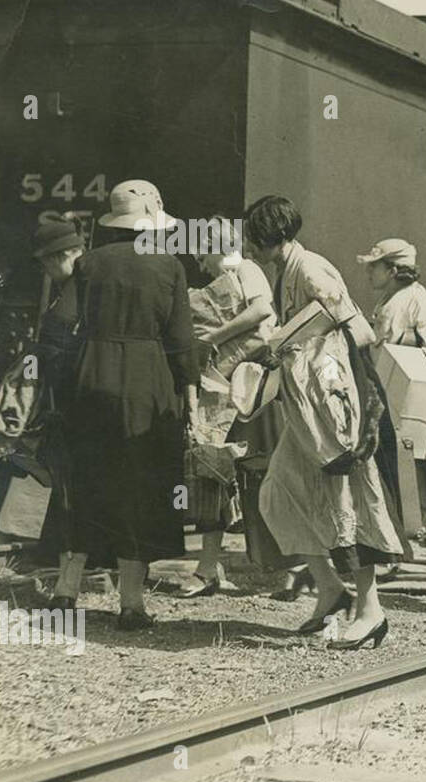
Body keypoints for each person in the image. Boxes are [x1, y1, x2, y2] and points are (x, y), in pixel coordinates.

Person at [243, 195, 404, 649]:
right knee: (278, 491)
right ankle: (331, 589)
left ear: (270, 238)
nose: (250, 248)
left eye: (253, 238)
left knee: (346, 505)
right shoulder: (287, 269)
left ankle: (370, 610)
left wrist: (289, 344)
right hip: (307, 412)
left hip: (336, 410)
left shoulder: (310, 269)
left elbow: (356, 331)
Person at [66, 180, 196, 629]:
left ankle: (65, 590)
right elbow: (181, 342)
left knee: (87, 479)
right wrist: (190, 388)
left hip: (91, 374)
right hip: (147, 379)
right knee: (140, 485)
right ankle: (132, 602)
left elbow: (64, 325)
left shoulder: (88, 263)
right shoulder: (169, 267)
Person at [357, 236, 426, 566]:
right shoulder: (396, 299)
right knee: (403, 473)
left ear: (392, 270)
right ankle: (402, 549)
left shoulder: (413, 302)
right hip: (395, 398)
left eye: (374, 266)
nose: (368, 273)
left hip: (415, 401)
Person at [179, 229, 277, 597]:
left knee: (263, 474)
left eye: (200, 255)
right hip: (227, 392)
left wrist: (212, 338)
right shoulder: (223, 281)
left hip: (255, 393)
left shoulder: (246, 269)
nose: (198, 263)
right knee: (213, 472)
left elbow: (262, 311)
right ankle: (208, 567)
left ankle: (295, 565)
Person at [30, 213, 86, 604]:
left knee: (71, 495)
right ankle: (68, 577)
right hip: (70, 407)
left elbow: (61, 354)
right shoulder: (75, 289)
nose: (47, 267)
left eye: (51, 259)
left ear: (68, 254)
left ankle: (69, 583)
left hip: (68, 408)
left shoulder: (71, 298)